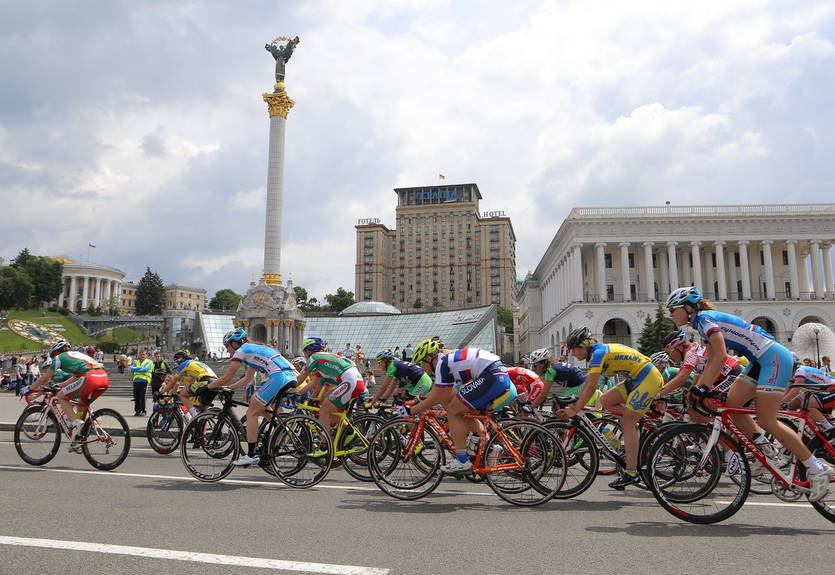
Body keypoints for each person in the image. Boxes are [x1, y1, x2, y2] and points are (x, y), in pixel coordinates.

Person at [665, 286, 831, 501]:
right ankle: (766, 453)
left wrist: (704, 387)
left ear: (688, 307)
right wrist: (700, 388)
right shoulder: (700, 323)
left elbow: (721, 356)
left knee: (766, 419)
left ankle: (817, 468)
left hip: (773, 358)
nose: (670, 314)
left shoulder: (704, 319)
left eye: (673, 309)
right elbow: (711, 362)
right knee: (732, 406)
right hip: (759, 361)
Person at [555, 327, 664, 490]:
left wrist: (575, 409)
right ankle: (633, 421)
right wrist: (575, 401)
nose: (572, 354)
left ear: (583, 346)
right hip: (636, 379)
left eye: (573, 349)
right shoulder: (596, 353)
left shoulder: (598, 354)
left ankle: (631, 473)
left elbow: (592, 387)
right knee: (605, 399)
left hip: (648, 379)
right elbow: (588, 384)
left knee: (627, 423)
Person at [407, 338, 517, 474]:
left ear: (429, 358)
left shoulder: (442, 363)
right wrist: (424, 401)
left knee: (453, 411)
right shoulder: (448, 359)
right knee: (460, 409)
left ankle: (462, 460)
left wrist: (411, 410)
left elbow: (439, 395)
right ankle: (488, 447)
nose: (421, 369)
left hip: (491, 376)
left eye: (421, 363)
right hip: (495, 374)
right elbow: (447, 394)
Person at [207, 328, 297, 466]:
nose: (227, 350)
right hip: (290, 376)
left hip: (278, 376)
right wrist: (230, 388)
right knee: (262, 407)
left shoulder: (242, 351)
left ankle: (251, 454)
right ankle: (281, 430)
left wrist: (206, 388)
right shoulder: (252, 352)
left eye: (227, 346)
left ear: (234, 343)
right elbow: (247, 378)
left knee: (251, 412)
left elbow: (226, 377)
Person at [26, 340, 109, 446]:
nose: (52, 358)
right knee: (82, 405)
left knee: (61, 397)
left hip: (90, 378)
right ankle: (79, 435)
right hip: (103, 378)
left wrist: (29, 388)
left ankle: (76, 423)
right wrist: (60, 385)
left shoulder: (58, 358)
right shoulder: (79, 355)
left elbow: (44, 378)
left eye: (53, 355)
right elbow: (76, 377)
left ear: (56, 351)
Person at [293, 337, 367, 439]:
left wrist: (285, 389)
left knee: (324, 409)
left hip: (350, 381)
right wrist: (298, 393)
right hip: (354, 381)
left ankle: (325, 445)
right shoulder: (322, 363)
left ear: (308, 350)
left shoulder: (314, 357)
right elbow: (313, 383)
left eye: (304, 352)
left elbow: (300, 379)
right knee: (332, 412)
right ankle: (350, 433)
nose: (304, 355)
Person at [161, 350, 218, 418]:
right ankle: (199, 423)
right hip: (215, 382)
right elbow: (191, 382)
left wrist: (161, 394)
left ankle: (195, 416)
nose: (177, 367)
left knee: (183, 395)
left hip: (205, 382)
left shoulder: (184, 364)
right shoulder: (194, 364)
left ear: (180, 359)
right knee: (202, 414)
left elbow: (173, 384)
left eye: (177, 362)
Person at [783, 363, 835, 434]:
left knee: (807, 405)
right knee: (792, 405)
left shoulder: (800, 370)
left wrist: (782, 401)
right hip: (818, 391)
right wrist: (780, 401)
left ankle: (830, 429)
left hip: (832, 388)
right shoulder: (793, 374)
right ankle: (813, 433)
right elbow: (788, 390)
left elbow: (796, 389)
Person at [129, 350, 153, 416]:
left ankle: (143, 410)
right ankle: (137, 410)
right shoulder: (136, 361)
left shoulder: (149, 362)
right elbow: (131, 368)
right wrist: (140, 368)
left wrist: (136, 368)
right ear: (139, 355)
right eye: (141, 354)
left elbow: (145, 369)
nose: (142, 356)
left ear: (146, 355)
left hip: (144, 380)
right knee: (136, 396)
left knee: (142, 396)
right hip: (136, 380)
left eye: (143, 354)